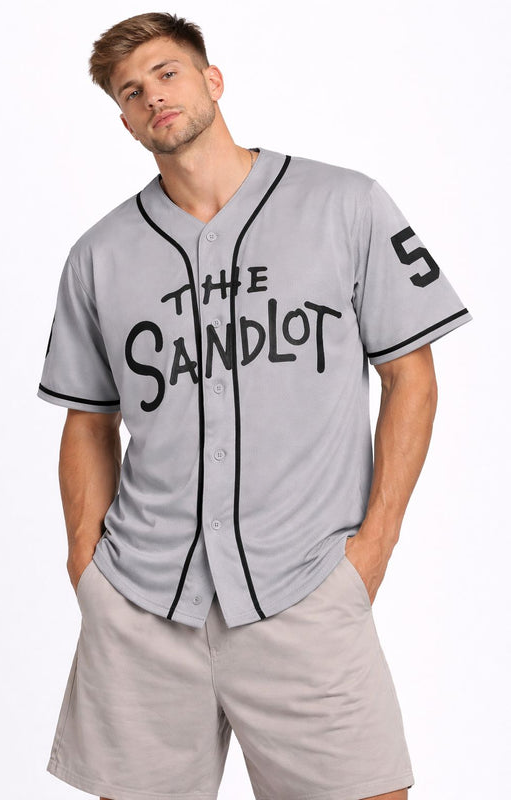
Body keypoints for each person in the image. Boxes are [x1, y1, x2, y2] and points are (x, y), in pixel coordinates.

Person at [37, 11, 472, 800]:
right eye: (130, 92)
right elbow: (89, 419)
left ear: (212, 79)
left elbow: (411, 375)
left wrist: (374, 545)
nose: (152, 96)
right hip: (143, 607)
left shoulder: (345, 203)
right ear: (124, 121)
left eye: (167, 73)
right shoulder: (98, 255)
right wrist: (86, 567)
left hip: (304, 589)